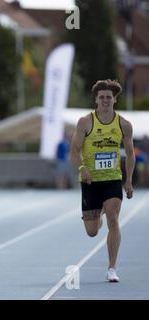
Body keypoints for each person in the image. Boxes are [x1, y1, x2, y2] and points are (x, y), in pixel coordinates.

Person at [70, 79, 135, 282]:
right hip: (90, 182)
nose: (105, 100)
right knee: (92, 232)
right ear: (96, 100)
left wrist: (129, 180)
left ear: (114, 99)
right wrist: (82, 167)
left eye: (109, 97)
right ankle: (98, 213)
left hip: (113, 179)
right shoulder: (85, 122)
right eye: (102, 97)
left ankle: (112, 268)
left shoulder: (123, 124)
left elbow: (131, 154)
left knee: (113, 219)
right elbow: (74, 150)